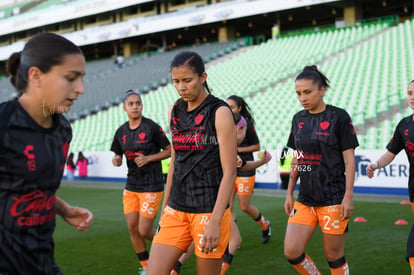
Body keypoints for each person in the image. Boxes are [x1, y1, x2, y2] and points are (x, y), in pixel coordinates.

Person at [0, 32, 93, 274]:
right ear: (36, 76)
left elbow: (26, 187)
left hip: (42, 264)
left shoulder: (62, 130)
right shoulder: (4, 123)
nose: (80, 89)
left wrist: (63, 209)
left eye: (81, 78)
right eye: (71, 78)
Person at [146, 51, 237, 275]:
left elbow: (230, 172)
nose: (181, 87)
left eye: (187, 80)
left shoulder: (220, 112)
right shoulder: (174, 111)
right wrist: (163, 211)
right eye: (176, 81)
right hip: (175, 210)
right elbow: (175, 163)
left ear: (202, 77)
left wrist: (216, 221)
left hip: (208, 210)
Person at [284, 65, 358, 275]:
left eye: (307, 92)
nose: (302, 98)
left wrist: (348, 196)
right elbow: (296, 158)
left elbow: (349, 161)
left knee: (334, 257)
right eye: (298, 93)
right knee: (292, 251)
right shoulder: (298, 119)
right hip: (304, 199)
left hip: (333, 199)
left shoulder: (339, 117)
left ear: (321, 90)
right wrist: (289, 192)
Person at [111, 89, 171, 274]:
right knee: (132, 228)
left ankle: (173, 247)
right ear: (124, 108)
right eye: (131, 104)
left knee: (144, 230)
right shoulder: (121, 132)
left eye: (138, 103)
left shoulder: (151, 127)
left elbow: (170, 150)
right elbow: (117, 154)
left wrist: (149, 158)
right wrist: (117, 160)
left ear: (142, 106)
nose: (135, 107)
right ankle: (146, 267)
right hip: (131, 187)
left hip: (152, 185)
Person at [366, 80, 414, 274]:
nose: (412, 96)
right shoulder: (404, 125)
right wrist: (376, 164)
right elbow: (390, 153)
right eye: (410, 93)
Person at [226, 95, 271, 245]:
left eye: (231, 107)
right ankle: (233, 238)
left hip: (246, 169)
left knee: (244, 206)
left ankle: (265, 225)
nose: (228, 109)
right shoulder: (225, 123)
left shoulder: (246, 125)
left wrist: (237, 148)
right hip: (230, 169)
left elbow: (256, 146)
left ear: (239, 108)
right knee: (228, 206)